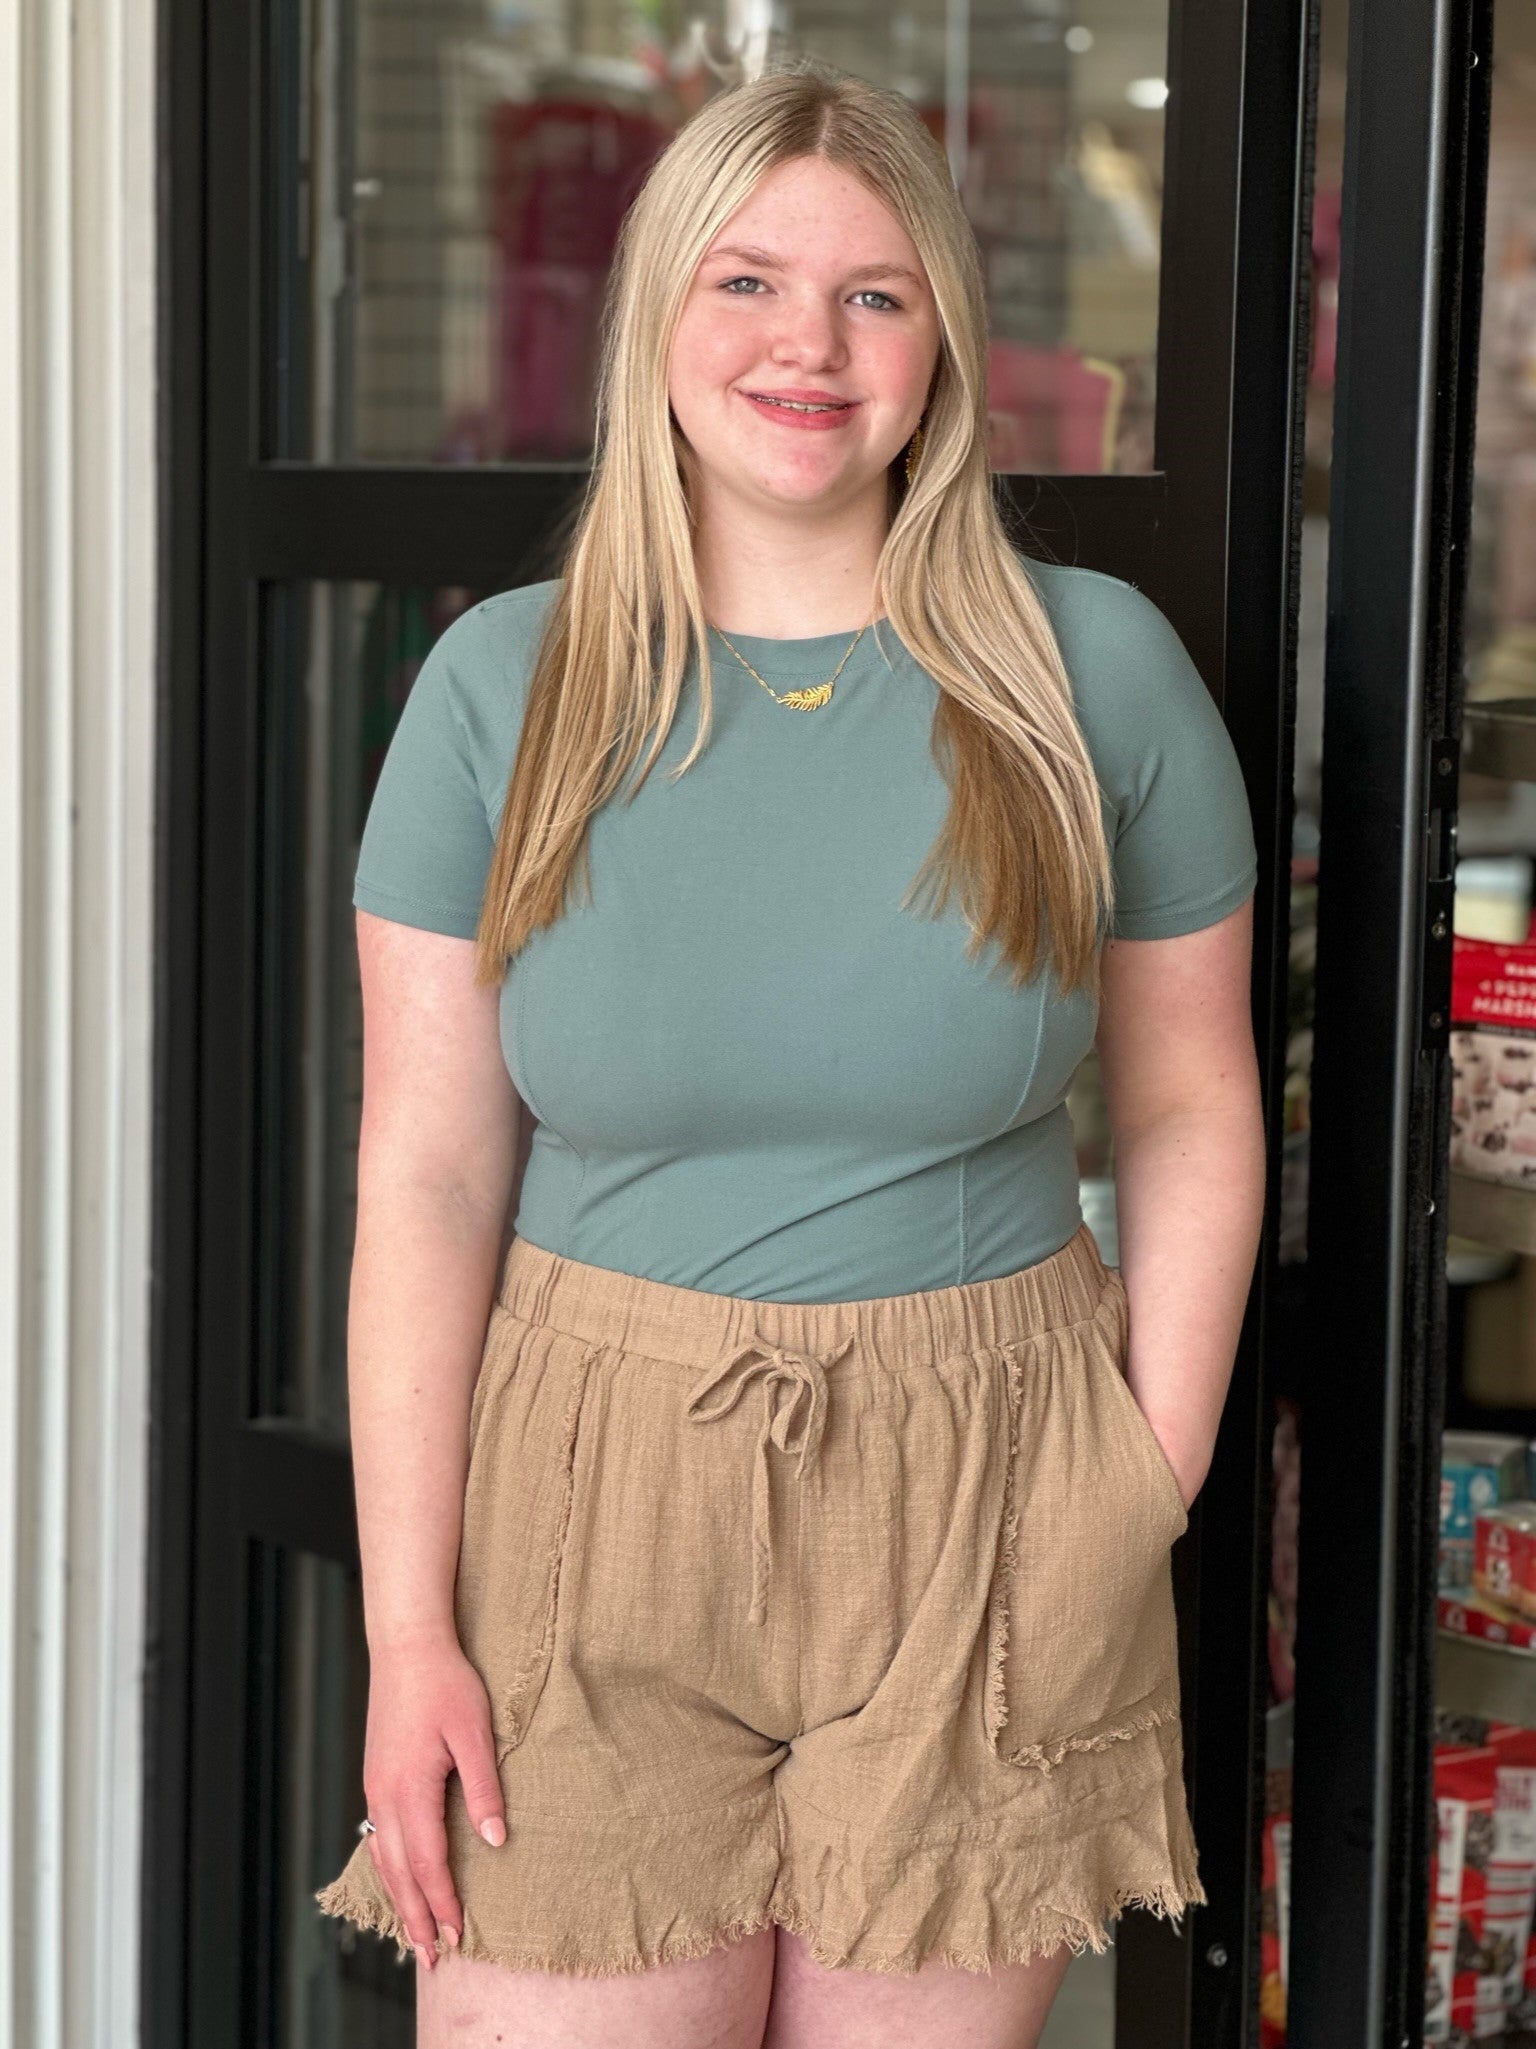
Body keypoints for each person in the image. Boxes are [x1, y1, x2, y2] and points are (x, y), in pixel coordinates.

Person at [316, 54, 1265, 2049]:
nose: (807, 346)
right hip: (585, 1501)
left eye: (873, 294)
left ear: (943, 344)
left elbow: (1189, 1102)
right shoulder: (502, 685)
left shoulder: (1096, 671)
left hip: (993, 1479)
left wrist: (1138, 1477)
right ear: (657, 316)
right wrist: (410, 1624)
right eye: (746, 282)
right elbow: (423, 1170)